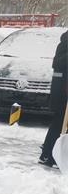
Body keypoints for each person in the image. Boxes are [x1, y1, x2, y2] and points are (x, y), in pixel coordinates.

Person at [39, 31, 68, 167]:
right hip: (62, 92)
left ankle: (55, 154)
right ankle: (47, 155)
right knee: (59, 123)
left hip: (63, 89)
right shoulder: (65, 43)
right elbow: (58, 63)